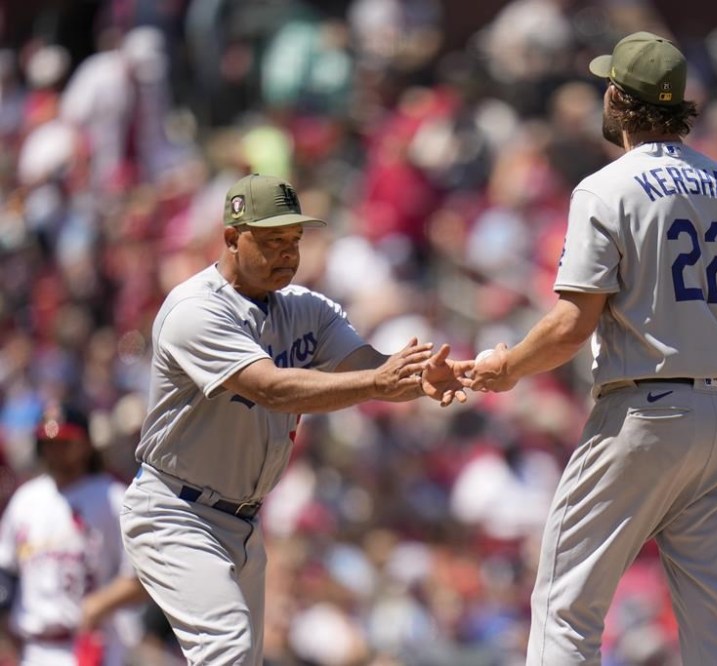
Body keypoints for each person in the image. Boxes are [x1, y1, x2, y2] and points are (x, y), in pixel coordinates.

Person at [466, 32, 717, 665]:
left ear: (618, 98)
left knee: (567, 608)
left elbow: (571, 324)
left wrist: (505, 367)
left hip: (646, 409)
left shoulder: (607, 187)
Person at [119, 173, 467, 664]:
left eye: (294, 239)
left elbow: (368, 366)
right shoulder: (195, 309)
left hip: (242, 518)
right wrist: (377, 383)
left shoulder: (307, 309)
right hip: (176, 510)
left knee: (241, 656)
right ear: (231, 239)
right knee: (228, 649)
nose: (287, 252)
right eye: (271, 240)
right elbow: (272, 388)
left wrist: (426, 375)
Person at [0, 401, 147, 666]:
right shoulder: (26, 499)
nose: (56, 450)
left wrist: (101, 603)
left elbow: (144, 577)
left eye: (65, 441)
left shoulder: (113, 498)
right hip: (33, 649)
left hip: (93, 645)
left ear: (86, 444)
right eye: (49, 442)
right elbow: (5, 570)